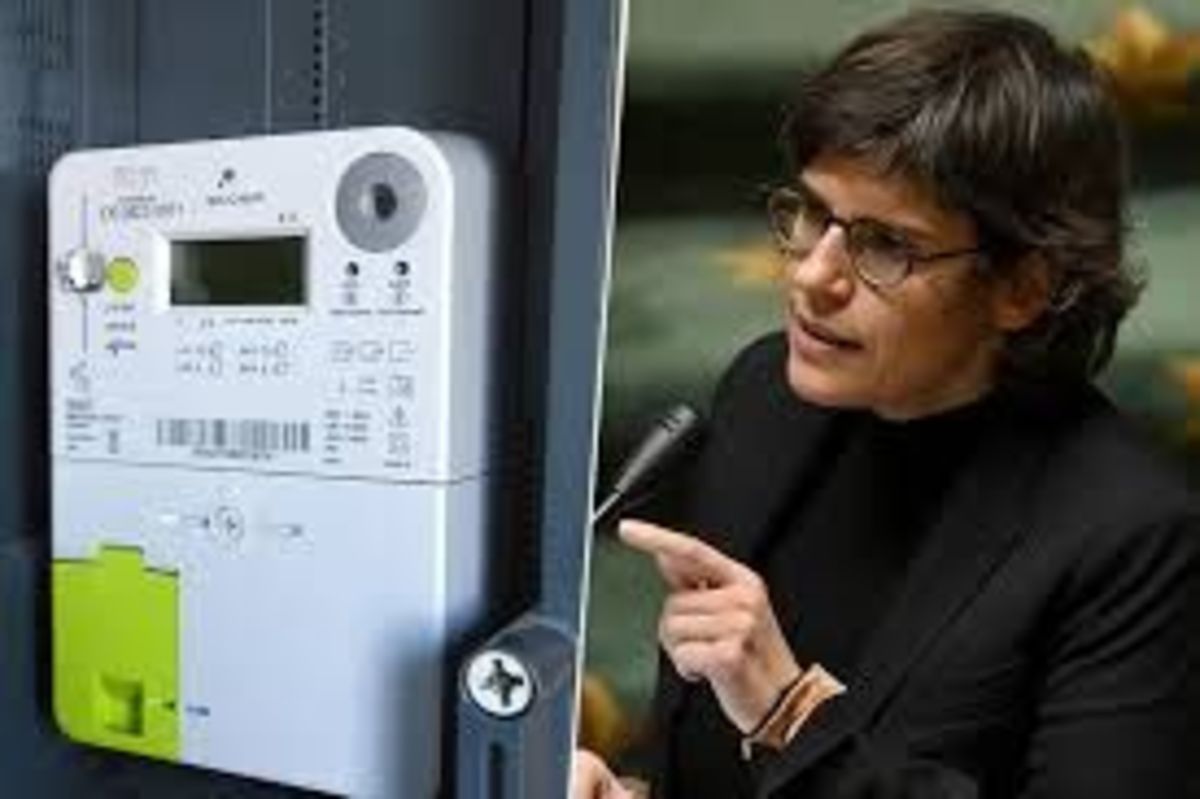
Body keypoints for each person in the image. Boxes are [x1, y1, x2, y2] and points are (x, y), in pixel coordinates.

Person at [574, 8, 1198, 799]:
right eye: (813, 214)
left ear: (1022, 288)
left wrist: (790, 713)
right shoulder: (767, 397)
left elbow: (781, 734)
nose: (813, 275)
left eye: (885, 245)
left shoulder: (1133, 540)